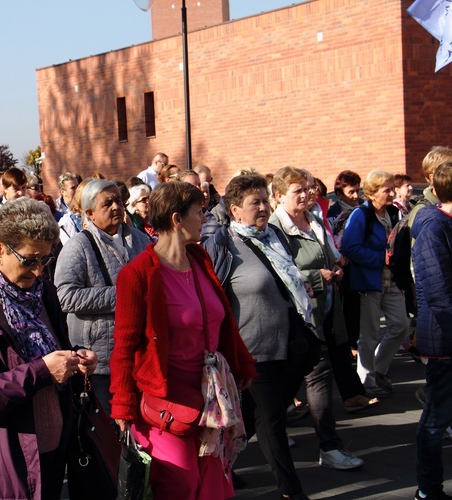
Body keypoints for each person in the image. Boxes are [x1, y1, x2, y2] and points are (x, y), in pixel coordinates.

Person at [0, 197, 98, 499]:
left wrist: (76, 359)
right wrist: (42, 371)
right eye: (29, 260)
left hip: (51, 450)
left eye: (45, 259)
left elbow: (52, 350)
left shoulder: (42, 292)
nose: (38, 271)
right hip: (1, 460)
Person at [111, 181, 257, 500]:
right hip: (165, 401)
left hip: (210, 394)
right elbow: (124, 346)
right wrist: (122, 404)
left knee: (213, 485)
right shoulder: (137, 274)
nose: (204, 218)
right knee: (180, 483)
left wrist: (241, 362)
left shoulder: (200, 259)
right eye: (198, 212)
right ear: (177, 219)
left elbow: (224, 320)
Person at [203, 174, 312, 499]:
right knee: (272, 421)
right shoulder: (223, 245)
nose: (264, 207)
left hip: (287, 345)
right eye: (256, 203)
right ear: (235, 210)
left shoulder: (274, 236)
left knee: (251, 417)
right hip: (252, 350)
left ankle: (220, 466)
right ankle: (290, 490)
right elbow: (213, 298)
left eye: (266, 201)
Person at [269, 167, 367, 468]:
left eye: (308, 189)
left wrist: (335, 269)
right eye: (298, 190)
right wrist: (319, 276)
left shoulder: (313, 220)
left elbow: (329, 254)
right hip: (297, 320)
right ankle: (270, 431)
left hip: (326, 313)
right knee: (286, 381)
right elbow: (279, 273)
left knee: (317, 376)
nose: (306, 194)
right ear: (279, 196)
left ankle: (328, 446)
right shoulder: (275, 230)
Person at [55, 179, 149, 414]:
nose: (116, 207)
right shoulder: (78, 247)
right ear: (90, 213)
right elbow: (65, 296)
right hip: (99, 360)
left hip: (139, 353)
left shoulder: (141, 240)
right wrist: (124, 296)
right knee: (110, 431)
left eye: (118, 200)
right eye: (107, 203)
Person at [412, 159, 452, 500]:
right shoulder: (433, 229)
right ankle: (428, 489)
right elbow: (440, 295)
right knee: (435, 420)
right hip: (447, 341)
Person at [342, 170, 408, 397]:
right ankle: (367, 381)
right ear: (372, 192)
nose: (392, 193)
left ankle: (379, 369)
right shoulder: (361, 215)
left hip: (391, 281)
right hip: (369, 283)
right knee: (369, 335)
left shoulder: (392, 213)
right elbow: (350, 248)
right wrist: (381, 258)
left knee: (401, 325)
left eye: (392, 189)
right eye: (386, 190)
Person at [58, 178, 91, 245]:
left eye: (77, 186)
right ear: (63, 192)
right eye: (73, 188)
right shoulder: (66, 221)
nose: (76, 190)